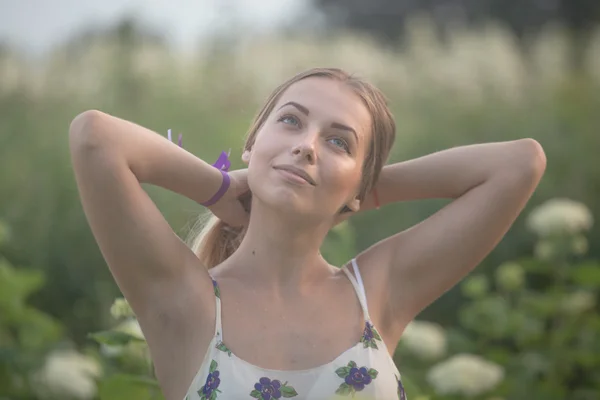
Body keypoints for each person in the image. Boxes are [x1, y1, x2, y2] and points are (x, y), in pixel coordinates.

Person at [69, 68, 546, 400]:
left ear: (362, 181)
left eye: (339, 141)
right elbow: (95, 137)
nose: (306, 146)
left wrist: (358, 189)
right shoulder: (184, 300)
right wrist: (220, 187)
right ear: (253, 144)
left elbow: (520, 163)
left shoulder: (377, 292)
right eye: (292, 121)